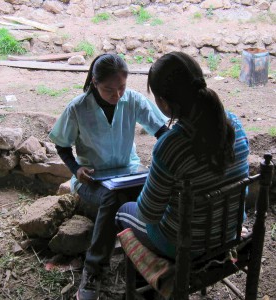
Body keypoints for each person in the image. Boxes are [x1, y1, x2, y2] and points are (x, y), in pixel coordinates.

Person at [48, 53, 168, 300]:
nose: (117, 95)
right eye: (108, 90)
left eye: (122, 87)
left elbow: (162, 132)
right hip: (93, 179)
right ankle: (93, 272)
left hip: (129, 171)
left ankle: (150, 265)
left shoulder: (133, 101)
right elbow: (62, 144)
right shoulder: (78, 108)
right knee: (113, 199)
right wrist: (76, 169)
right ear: (94, 82)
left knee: (156, 191)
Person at [115, 51, 249, 260]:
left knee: (124, 210)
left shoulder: (170, 146)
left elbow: (148, 215)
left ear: (164, 103)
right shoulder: (235, 126)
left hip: (185, 247)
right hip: (227, 233)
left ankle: (150, 287)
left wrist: (146, 190)